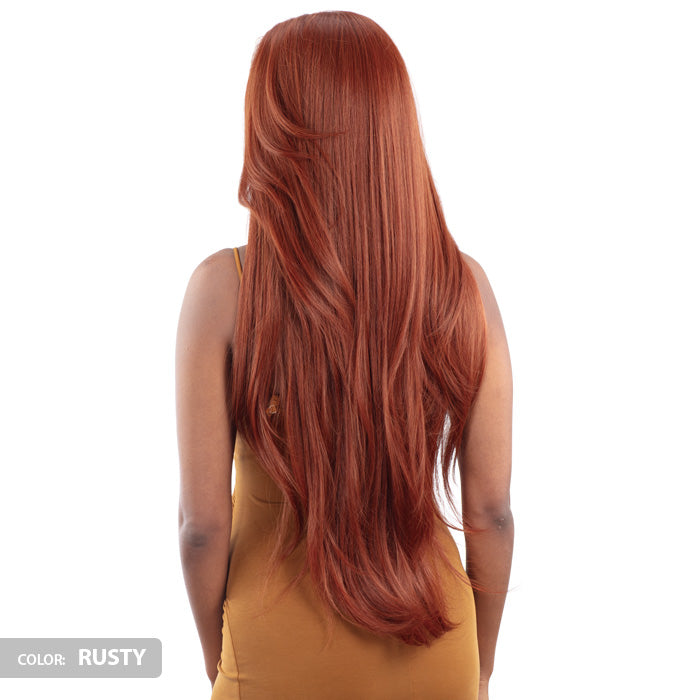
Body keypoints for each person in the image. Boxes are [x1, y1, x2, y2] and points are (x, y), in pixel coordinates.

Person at [176, 11, 513, 700]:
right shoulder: (463, 286)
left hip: (271, 654)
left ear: (271, 129)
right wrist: (478, 666)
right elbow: (492, 512)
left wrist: (219, 658)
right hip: (435, 640)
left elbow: (202, 529)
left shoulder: (223, 289)